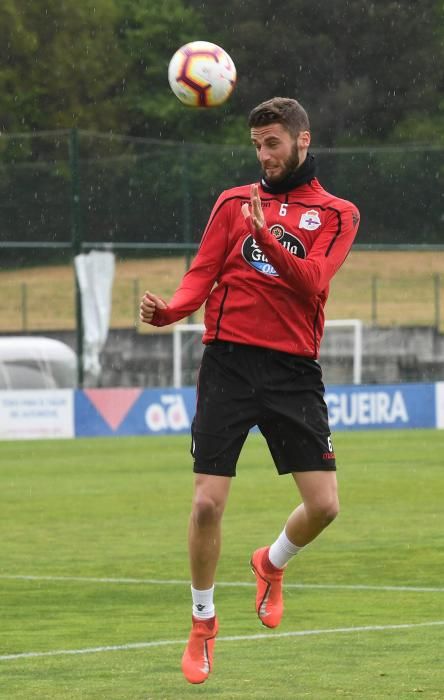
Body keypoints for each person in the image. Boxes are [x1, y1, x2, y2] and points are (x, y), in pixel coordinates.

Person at [140, 96, 360, 685]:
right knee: (207, 502)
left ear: (302, 141)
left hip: (292, 371)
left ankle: (270, 562)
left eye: (274, 144)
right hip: (229, 363)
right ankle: (203, 622)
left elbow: (312, 282)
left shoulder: (339, 214)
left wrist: (268, 241)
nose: (264, 156)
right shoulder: (235, 203)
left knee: (325, 506)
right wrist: (172, 312)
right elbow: (202, 273)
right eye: (257, 145)